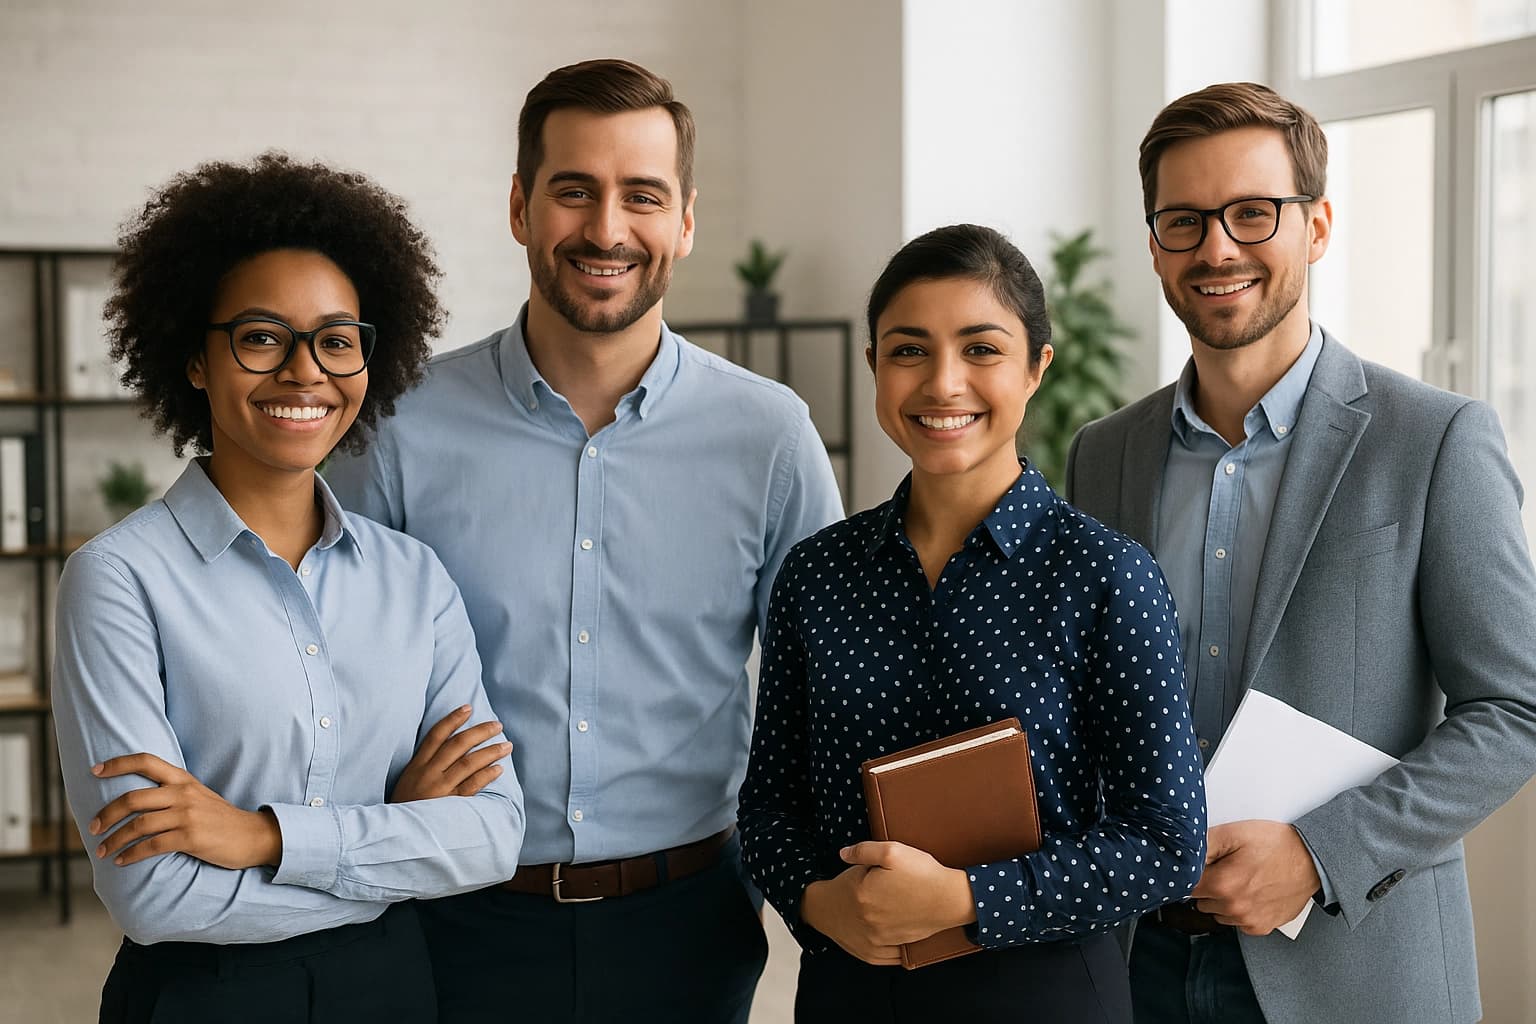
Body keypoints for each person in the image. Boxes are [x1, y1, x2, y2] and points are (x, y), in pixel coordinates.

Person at [324, 58, 843, 1023]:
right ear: (521, 206)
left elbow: (832, 687)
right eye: (574, 191)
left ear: (684, 220)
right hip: (453, 918)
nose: (606, 229)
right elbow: (325, 667)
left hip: (690, 929)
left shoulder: (769, 436)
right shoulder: (397, 426)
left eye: (641, 196)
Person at [1066, 81, 1536, 1024]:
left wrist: (1321, 854)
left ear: (1316, 226)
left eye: (1252, 213)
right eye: (1184, 222)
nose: (1218, 248)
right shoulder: (1103, 452)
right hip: (1136, 954)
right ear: (1156, 243)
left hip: (1353, 962)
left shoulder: (1435, 439)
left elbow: (1516, 706)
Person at [52, 153, 527, 1024]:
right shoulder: (118, 581)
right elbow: (154, 895)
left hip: (392, 990)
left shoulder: (413, 578)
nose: (305, 371)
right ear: (196, 358)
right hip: (202, 996)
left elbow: (493, 837)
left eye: (336, 339)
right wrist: (393, 851)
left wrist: (262, 837)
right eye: (262, 336)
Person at [738, 223, 1207, 1024]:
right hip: (853, 991)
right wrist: (821, 904)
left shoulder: (1106, 575)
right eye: (909, 350)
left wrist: (963, 897)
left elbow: (1166, 840)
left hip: (1046, 996)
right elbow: (769, 809)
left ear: (1037, 369)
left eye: (982, 349)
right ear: (875, 368)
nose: (942, 383)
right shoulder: (817, 575)